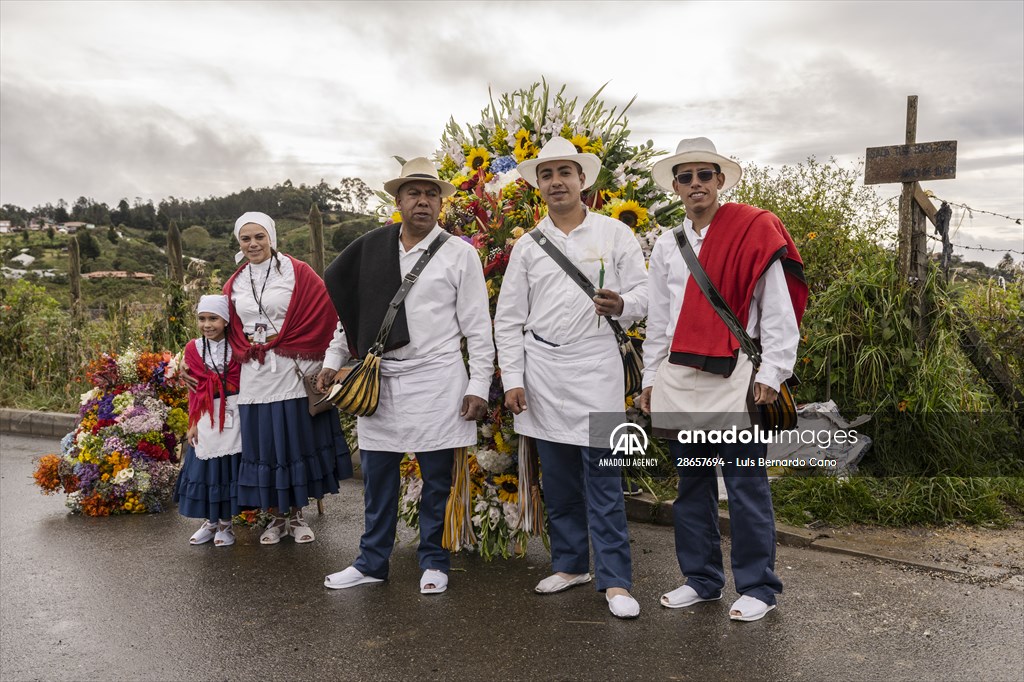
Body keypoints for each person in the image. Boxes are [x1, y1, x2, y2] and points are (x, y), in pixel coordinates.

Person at [640, 137, 807, 622]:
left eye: (704, 175)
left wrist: (773, 371)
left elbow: (777, 309)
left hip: (736, 373)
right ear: (676, 187)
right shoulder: (667, 245)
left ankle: (758, 586)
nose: (696, 184)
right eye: (686, 177)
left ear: (720, 181)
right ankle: (701, 579)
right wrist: (650, 377)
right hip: (679, 375)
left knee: (745, 484)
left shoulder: (753, 230)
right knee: (691, 484)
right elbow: (660, 320)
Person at [320, 157, 493, 594]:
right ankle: (371, 562)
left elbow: (478, 327)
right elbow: (352, 317)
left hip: (438, 379)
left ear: (440, 203)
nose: (423, 201)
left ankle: (434, 561)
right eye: (413, 193)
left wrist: (478, 385)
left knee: (436, 480)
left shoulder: (460, 254)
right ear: (397, 201)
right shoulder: (373, 249)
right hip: (380, 379)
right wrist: (332, 358)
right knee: (377, 479)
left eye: (431, 194)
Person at [494, 137, 648, 619]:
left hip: (598, 370)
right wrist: (513, 378)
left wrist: (623, 305)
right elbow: (508, 318)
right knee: (558, 482)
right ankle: (570, 565)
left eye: (565, 172)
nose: (556, 181)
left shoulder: (614, 234)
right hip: (542, 374)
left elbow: (646, 293)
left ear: (583, 179)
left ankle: (616, 580)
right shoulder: (527, 245)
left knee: (604, 478)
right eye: (547, 174)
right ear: (538, 185)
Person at [224, 211, 353, 544]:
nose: (253, 244)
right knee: (265, 444)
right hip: (255, 370)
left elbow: (326, 312)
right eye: (246, 239)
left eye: (259, 237)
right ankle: (276, 517)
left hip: (292, 368)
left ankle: (296, 516)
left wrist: (326, 361)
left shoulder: (297, 272)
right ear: (239, 242)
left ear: (272, 238)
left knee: (294, 440)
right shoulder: (235, 283)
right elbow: (226, 330)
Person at [173, 294, 242, 547]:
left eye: (213, 318)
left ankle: (226, 524)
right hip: (204, 414)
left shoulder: (237, 347)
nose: (207, 324)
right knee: (205, 470)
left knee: (226, 470)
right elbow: (194, 389)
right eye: (202, 319)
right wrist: (192, 423)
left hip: (234, 414)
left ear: (226, 321)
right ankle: (210, 522)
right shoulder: (193, 348)